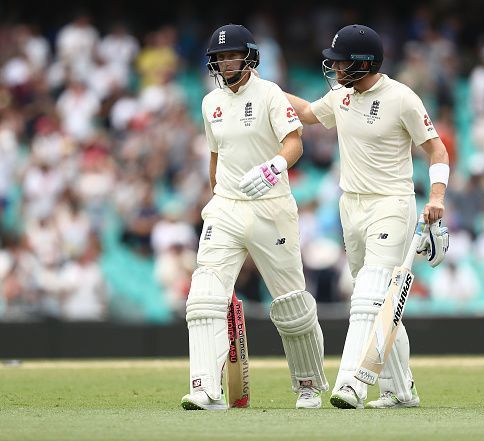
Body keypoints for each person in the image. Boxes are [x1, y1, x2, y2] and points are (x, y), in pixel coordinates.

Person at [285, 24, 450, 409]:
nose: (336, 69)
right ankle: (401, 390)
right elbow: (309, 113)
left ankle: (352, 384)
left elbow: (437, 151)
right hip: (351, 207)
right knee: (380, 302)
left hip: (391, 204)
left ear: (363, 63)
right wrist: (268, 92)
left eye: (342, 63)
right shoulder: (341, 95)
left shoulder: (401, 98)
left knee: (369, 298)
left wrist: (438, 195)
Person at [181, 24, 328, 411]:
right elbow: (216, 155)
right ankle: (205, 387)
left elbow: (294, 141)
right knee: (204, 298)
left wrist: (274, 168)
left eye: (233, 55)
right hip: (227, 206)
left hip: (271, 204)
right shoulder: (209, 102)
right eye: (220, 57)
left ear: (249, 57)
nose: (226, 62)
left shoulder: (269, 94)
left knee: (291, 303)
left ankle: (309, 385)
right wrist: (215, 194)